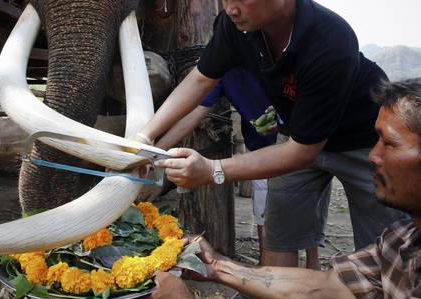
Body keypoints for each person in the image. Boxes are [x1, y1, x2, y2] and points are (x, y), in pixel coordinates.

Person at [134, 0, 407, 270]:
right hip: (295, 136)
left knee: (383, 251)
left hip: (362, 142)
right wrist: (145, 138)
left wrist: (213, 169)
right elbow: (200, 79)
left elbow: (304, 152)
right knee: (278, 241)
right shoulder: (236, 26)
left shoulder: (330, 39)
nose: (230, 9)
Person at [132, 77, 421, 299]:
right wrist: (217, 266)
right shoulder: (400, 241)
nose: (372, 155)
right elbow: (329, 288)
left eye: (390, 144)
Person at [153, 65, 328, 269]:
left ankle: (313, 264)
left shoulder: (276, 54)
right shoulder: (221, 67)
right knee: (264, 211)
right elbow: (195, 113)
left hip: (300, 143)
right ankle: (267, 269)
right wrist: (155, 150)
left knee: (310, 206)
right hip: (260, 153)